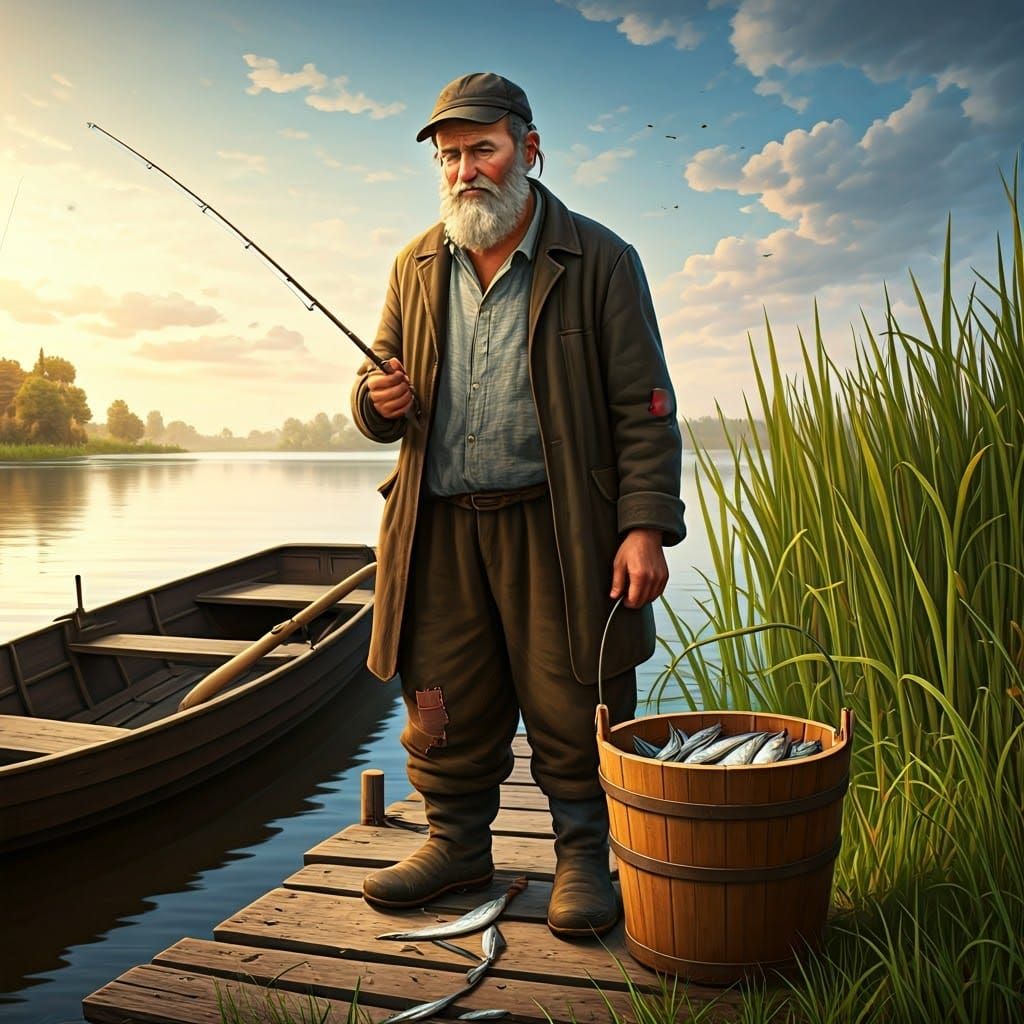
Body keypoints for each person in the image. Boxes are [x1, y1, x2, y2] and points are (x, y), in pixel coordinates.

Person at [351, 72, 684, 938]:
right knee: (442, 701)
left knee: (579, 698)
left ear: (528, 150)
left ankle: (584, 859)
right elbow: (374, 379)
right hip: (439, 527)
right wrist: (373, 401)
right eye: (451, 157)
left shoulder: (602, 259)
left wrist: (644, 526)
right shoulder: (414, 263)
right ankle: (456, 845)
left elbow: (645, 406)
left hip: (560, 527)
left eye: (482, 150)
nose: (466, 172)